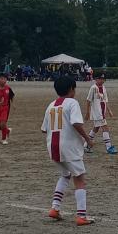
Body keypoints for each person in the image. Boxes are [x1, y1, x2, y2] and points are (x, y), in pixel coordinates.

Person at [42, 75, 95, 225]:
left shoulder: (51, 105)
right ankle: (81, 216)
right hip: (69, 147)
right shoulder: (72, 103)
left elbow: (44, 129)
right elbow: (76, 123)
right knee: (80, 179)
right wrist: (87, 138)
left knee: (65, 175)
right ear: (72, 89)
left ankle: (55, 208)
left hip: (53, 147)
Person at [86, 74, 117, 155]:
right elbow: (88, 100)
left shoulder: (103, 88)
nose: (102, 81)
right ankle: (108, 147)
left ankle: (86, 145)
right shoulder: (93, 88)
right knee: (105, 128)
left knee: (96, 129)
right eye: (101, 79)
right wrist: (87, 112)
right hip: (97, 113)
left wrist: (109, 110)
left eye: (103, 79)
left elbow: (105, 100)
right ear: (96, 79)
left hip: (102, 112)